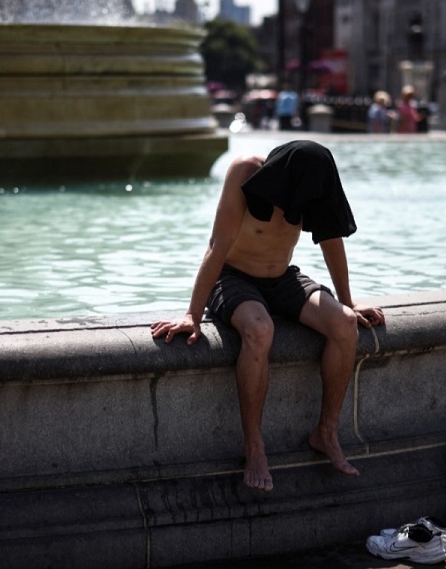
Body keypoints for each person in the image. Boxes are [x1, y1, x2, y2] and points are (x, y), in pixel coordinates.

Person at [151, 140, 385, 491]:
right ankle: (255, 447)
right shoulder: (245, 171)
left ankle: (326, 432)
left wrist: (348, 301)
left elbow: (330, 240)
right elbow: (217, 245)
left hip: (284, 277)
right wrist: (192, 315)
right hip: (232, 278)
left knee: (344, 323)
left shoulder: (313, 180)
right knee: (260, 330)